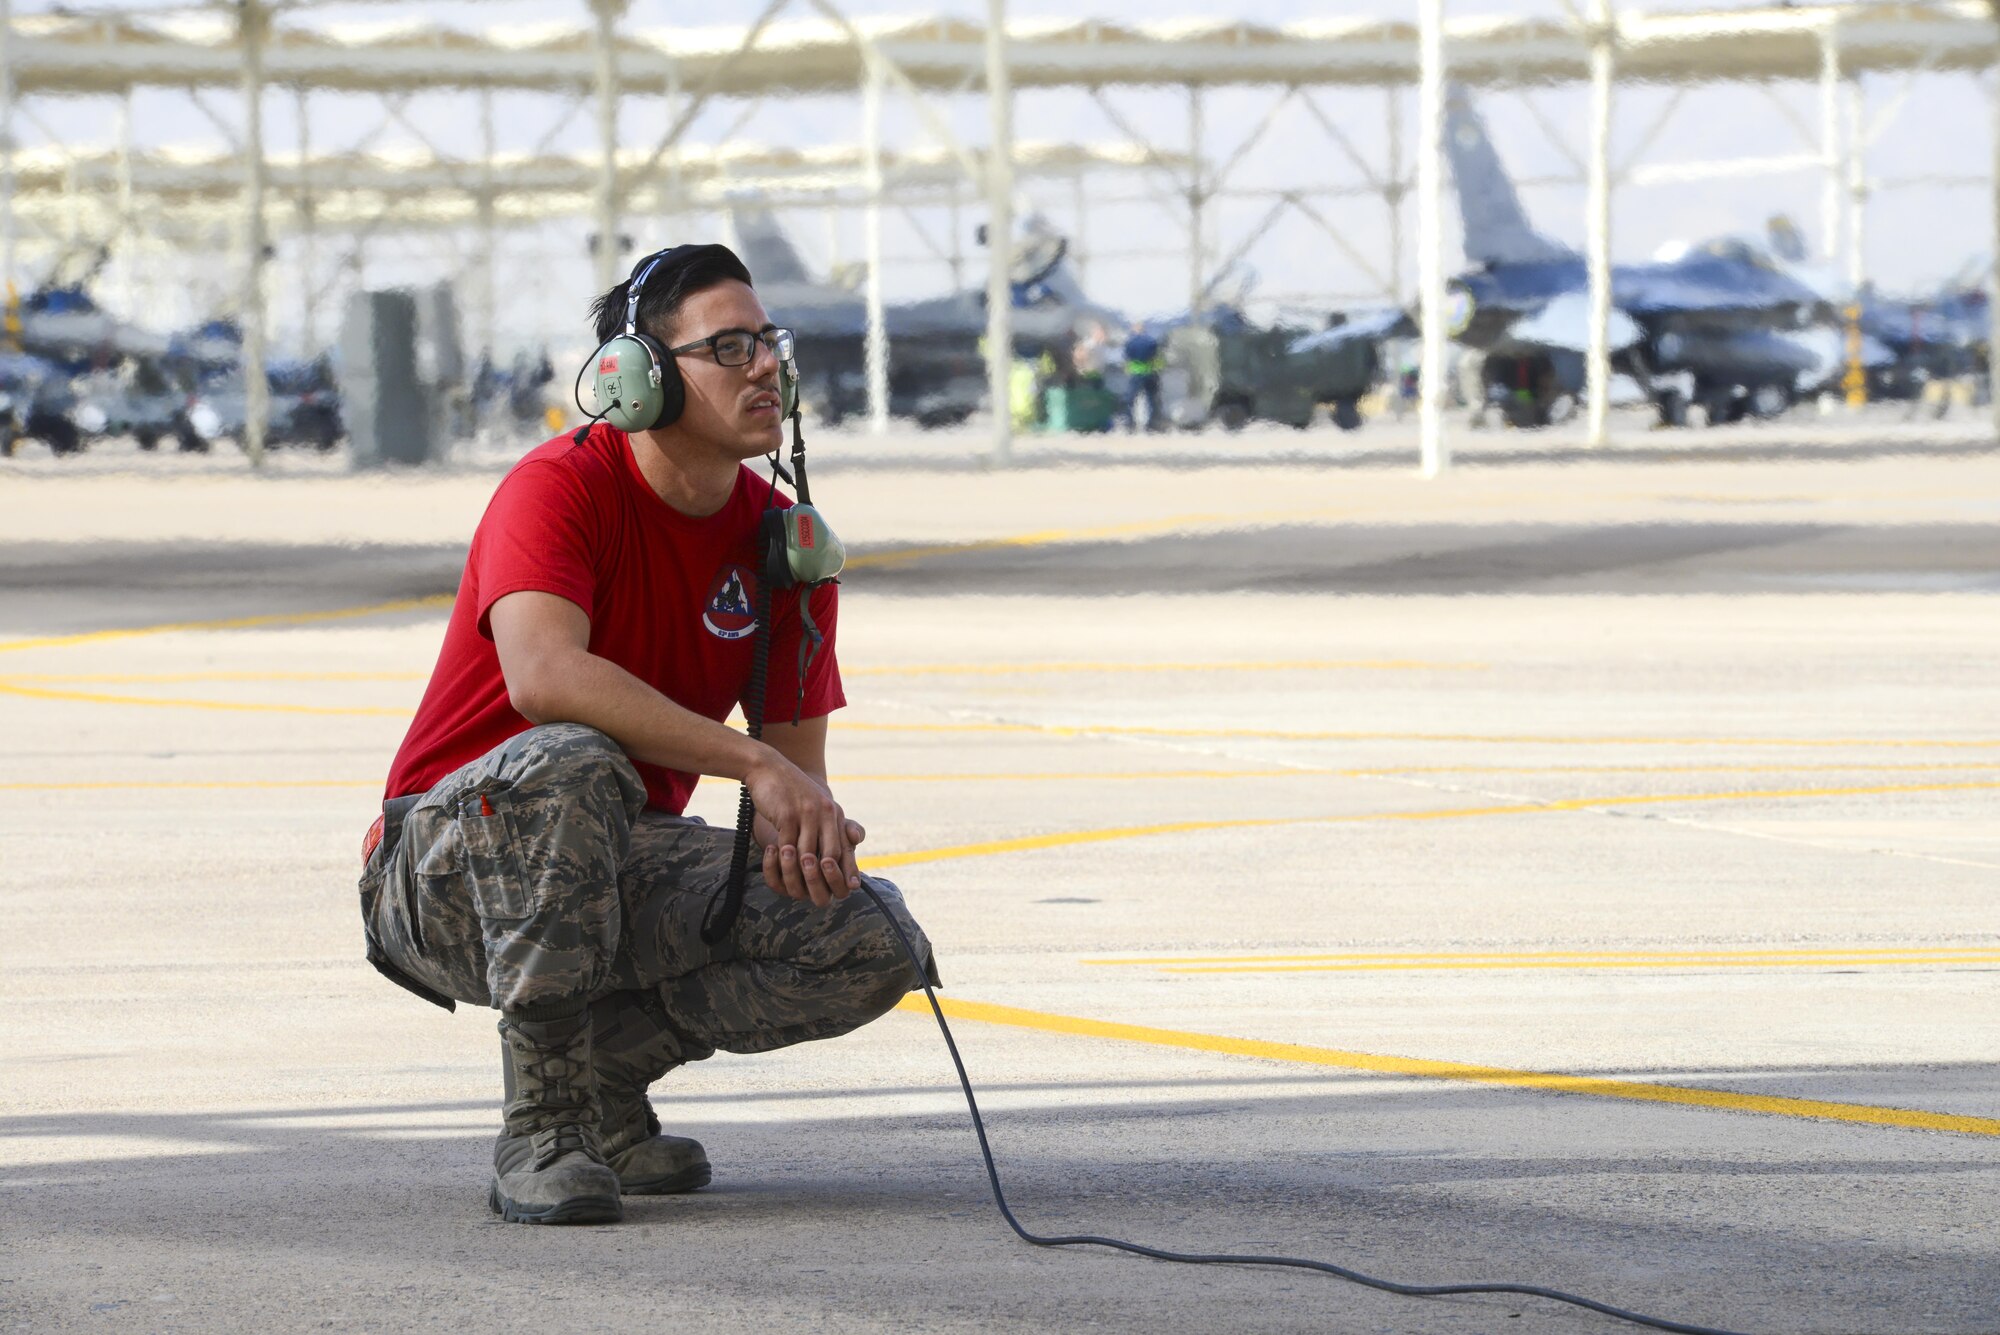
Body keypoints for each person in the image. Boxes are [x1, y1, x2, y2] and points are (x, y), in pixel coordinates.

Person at [357, 243, 936, 1226]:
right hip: (442, 874)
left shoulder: (783, 546)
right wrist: (750, 761)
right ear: (639, 377)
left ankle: (602, 1084)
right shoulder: (558, 488)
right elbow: (544, 678)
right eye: (731, 347)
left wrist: (810, 833)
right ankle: (543, 1127)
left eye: (771, 341)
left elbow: (791, 786)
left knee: (873, 936)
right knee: (574, 763)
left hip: (608, 860)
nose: (767, 366)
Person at [1121, 320, 1164, 433]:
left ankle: (1130, 423)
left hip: (1136, 372)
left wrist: (1127, 369)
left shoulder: (1130, 342)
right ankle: (1152, 424)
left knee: (1131, 399)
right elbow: (1156, 356)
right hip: (1150, 372)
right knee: (1151, 399)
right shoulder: (1151, 341)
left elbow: (1127, 357)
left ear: (1134, 329)